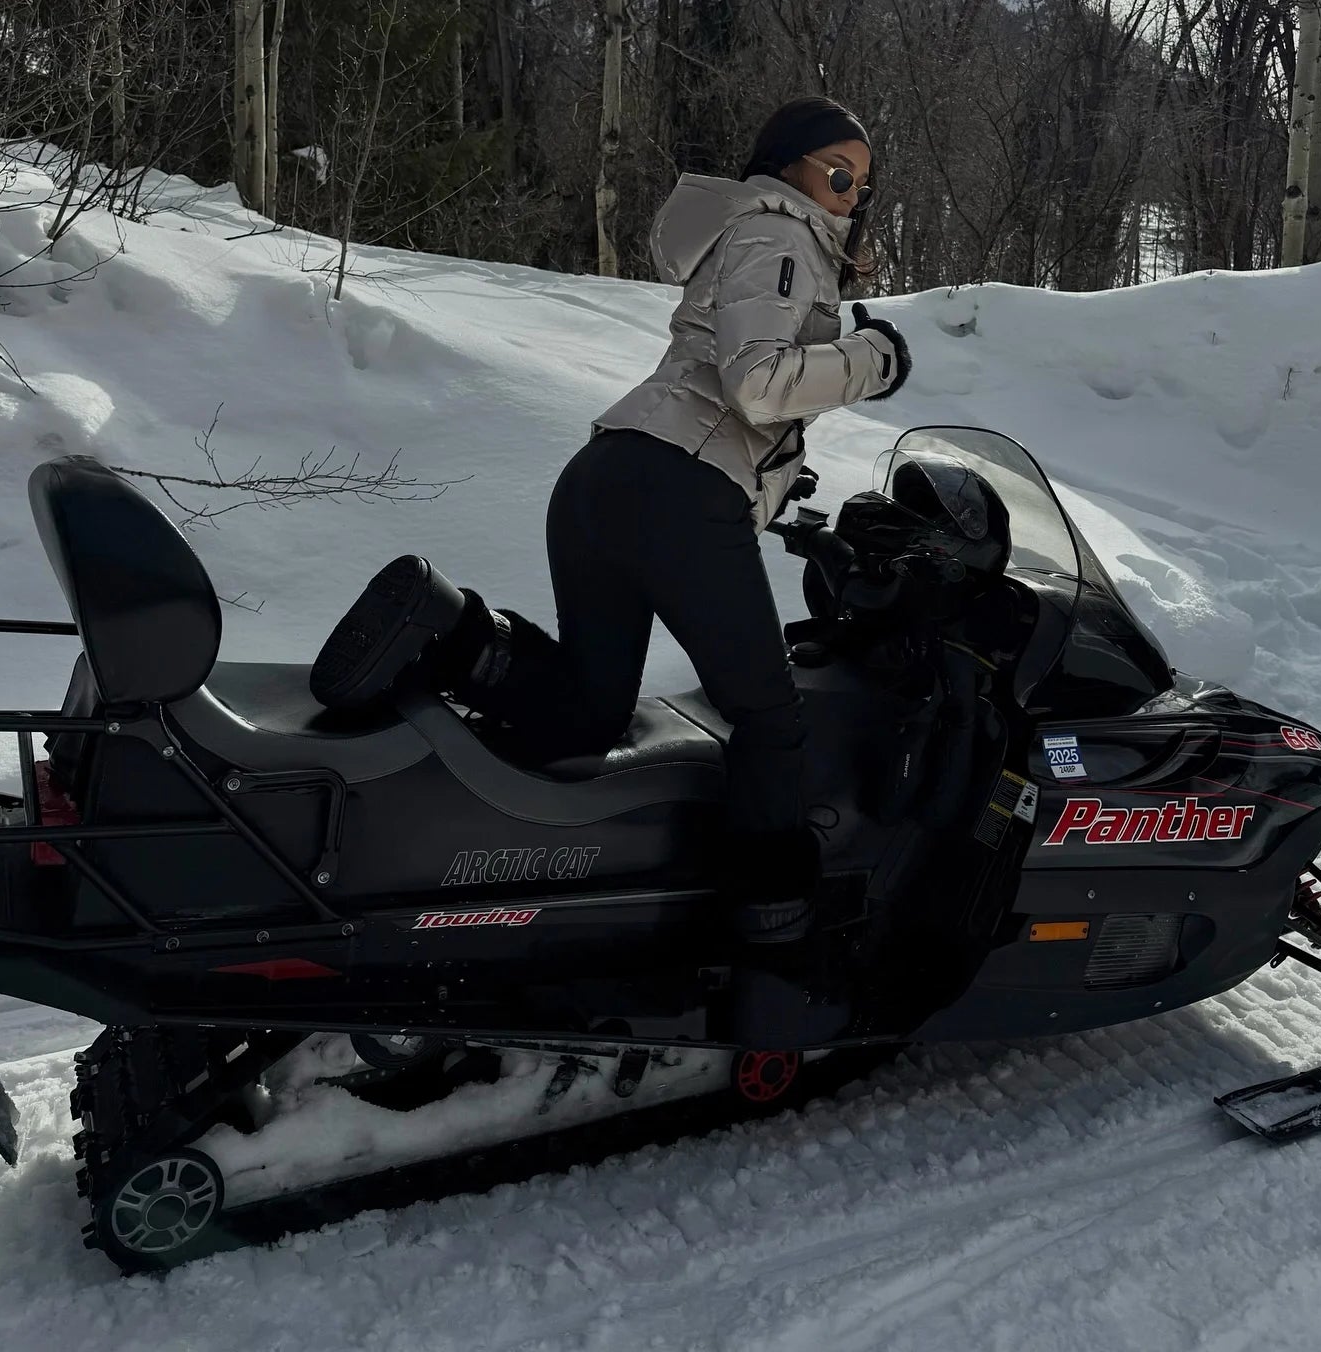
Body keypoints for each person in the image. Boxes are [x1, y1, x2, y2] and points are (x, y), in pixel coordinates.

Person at [311, 95, 911, 960]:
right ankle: (772, 935)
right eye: (841, 173)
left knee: (592, 708)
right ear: (787, 169)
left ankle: (447, 633)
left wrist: (776, 473)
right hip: (675, 492)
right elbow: (759, 381)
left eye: (864, 181)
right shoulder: (780, 233)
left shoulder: (749, 236)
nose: (852, 195)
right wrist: (876, 361)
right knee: (770, 718)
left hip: (608, 477)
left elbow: (725, 388)